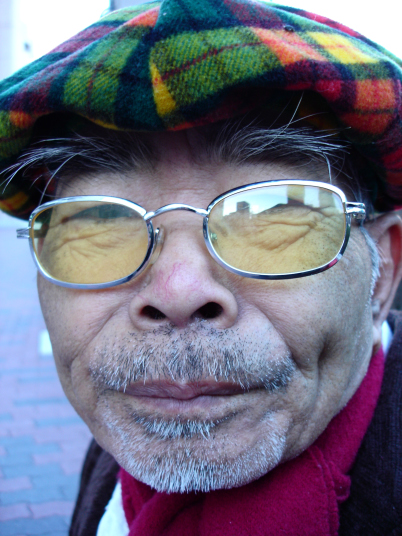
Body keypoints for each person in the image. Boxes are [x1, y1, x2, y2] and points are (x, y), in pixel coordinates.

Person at [1, 0, 401, 534]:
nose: (178, 290)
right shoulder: (112, 449)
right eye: (100, 217)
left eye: (270, 211)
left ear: (383, 273)